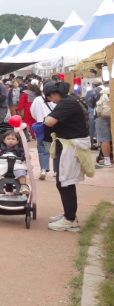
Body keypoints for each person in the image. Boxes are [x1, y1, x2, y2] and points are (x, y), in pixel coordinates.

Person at [44, 81, 92, 232]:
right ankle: (69, 214)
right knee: (64, 181)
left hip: (71, 147)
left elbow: (49, 121)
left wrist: (46, 119)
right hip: (70, 145)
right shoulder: (75, 99)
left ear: (52, 94)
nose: (50, 101)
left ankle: (70, 219)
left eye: (49, 98)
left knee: (65, 182)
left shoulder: (66, 103)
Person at [30, 83, 56, 180]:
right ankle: (56, 170)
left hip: (41, 125)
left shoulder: (37, 99)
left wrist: (39, 119)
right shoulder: (56, 99)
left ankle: (43, 169)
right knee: (56, 147)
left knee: (42, 147)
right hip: (54, 125)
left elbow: (33, 112)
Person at [95, 86, 112, 167]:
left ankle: (107, 160)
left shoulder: (103, 91)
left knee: (104, 139)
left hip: (102, 116)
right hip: (112, 116)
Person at [85, 80, 103, 149]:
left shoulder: (90, 92)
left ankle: (90, 144)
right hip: (101, 111)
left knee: (91, 129)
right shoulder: (104, 90)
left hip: (92, 110)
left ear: (93, 84)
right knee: (100, 128)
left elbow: (87, 101)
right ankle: (100, 145)